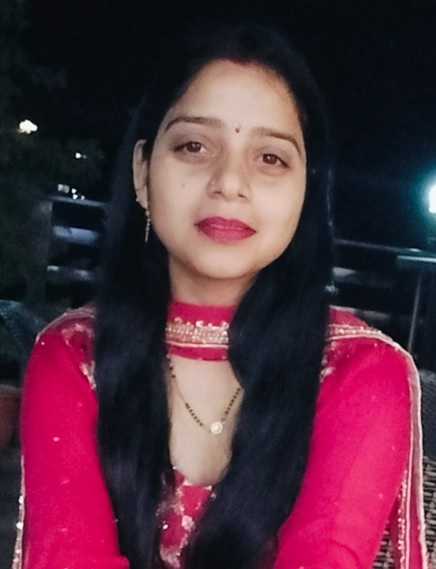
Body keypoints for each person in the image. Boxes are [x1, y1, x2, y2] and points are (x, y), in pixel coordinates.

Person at [16, 23, 428, 569]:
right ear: (141, 172)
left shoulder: (361, 370)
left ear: (307, 191)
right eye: (194, 146)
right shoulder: (73, 357)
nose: (229, 182)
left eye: (270, 158)